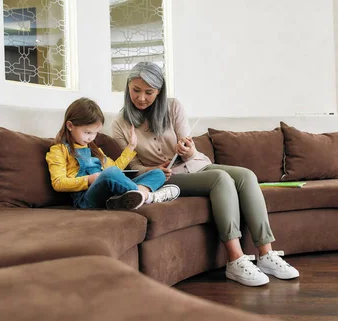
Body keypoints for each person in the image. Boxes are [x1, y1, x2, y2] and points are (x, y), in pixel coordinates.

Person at [111, 62, 299, 287]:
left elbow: (187, 144)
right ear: (128, 89)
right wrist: (152, 170)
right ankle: (236, 259)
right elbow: (131, 168)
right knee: (221, 179)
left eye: (149, 92)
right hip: (166, 177)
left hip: (196, 165)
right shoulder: (120, 124)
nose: (141, 98)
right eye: (136, 90)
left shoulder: (173, 108)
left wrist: (188, 150)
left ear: (159, 92)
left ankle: (266, 254)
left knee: (246, 176)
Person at [46, 97, 180, 210]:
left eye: (95, 133)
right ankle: (149, 196)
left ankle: (128, 198)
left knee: (158, 173)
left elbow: (115, 167)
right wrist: (90, 179)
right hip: (85, 198)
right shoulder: (58, 150)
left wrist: (131, 147)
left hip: (109, 194)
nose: (91, 138)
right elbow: (58, 183)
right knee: (109, 174)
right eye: (87, 132)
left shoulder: (94, 149)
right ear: (70, 126)